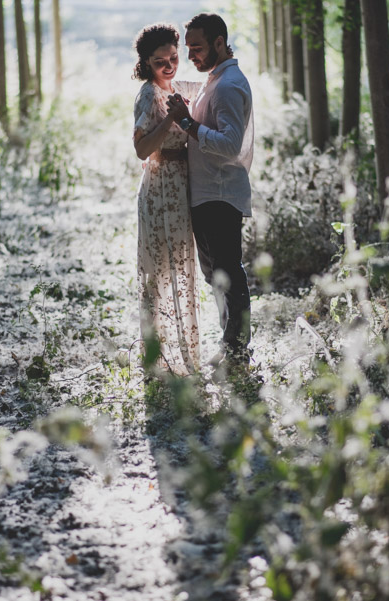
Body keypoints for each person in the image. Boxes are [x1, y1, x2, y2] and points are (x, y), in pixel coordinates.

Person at [166, 13, 254, 366]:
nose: (192, 57)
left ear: (220, 42)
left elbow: (231, 145)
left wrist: (187, 123)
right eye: (188, 49)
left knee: (228, 272)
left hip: (220, 191)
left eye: (197, 48)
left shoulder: (228, 85)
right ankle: (231, 343)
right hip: (205, 192)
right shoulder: (214, 78)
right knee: (215, 274)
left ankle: (237, 350)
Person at [132, 23, 202, 376]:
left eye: (174, 58)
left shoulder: (178, 88)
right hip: (160, 188)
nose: (170, 66)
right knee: (158, 271)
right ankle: (158, 359)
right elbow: (141, 148)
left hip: (181, 187)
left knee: (181, 268)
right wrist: (173, 119)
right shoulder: (148, 94)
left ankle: (184, 352)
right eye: (161, 62)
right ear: (147, 63)